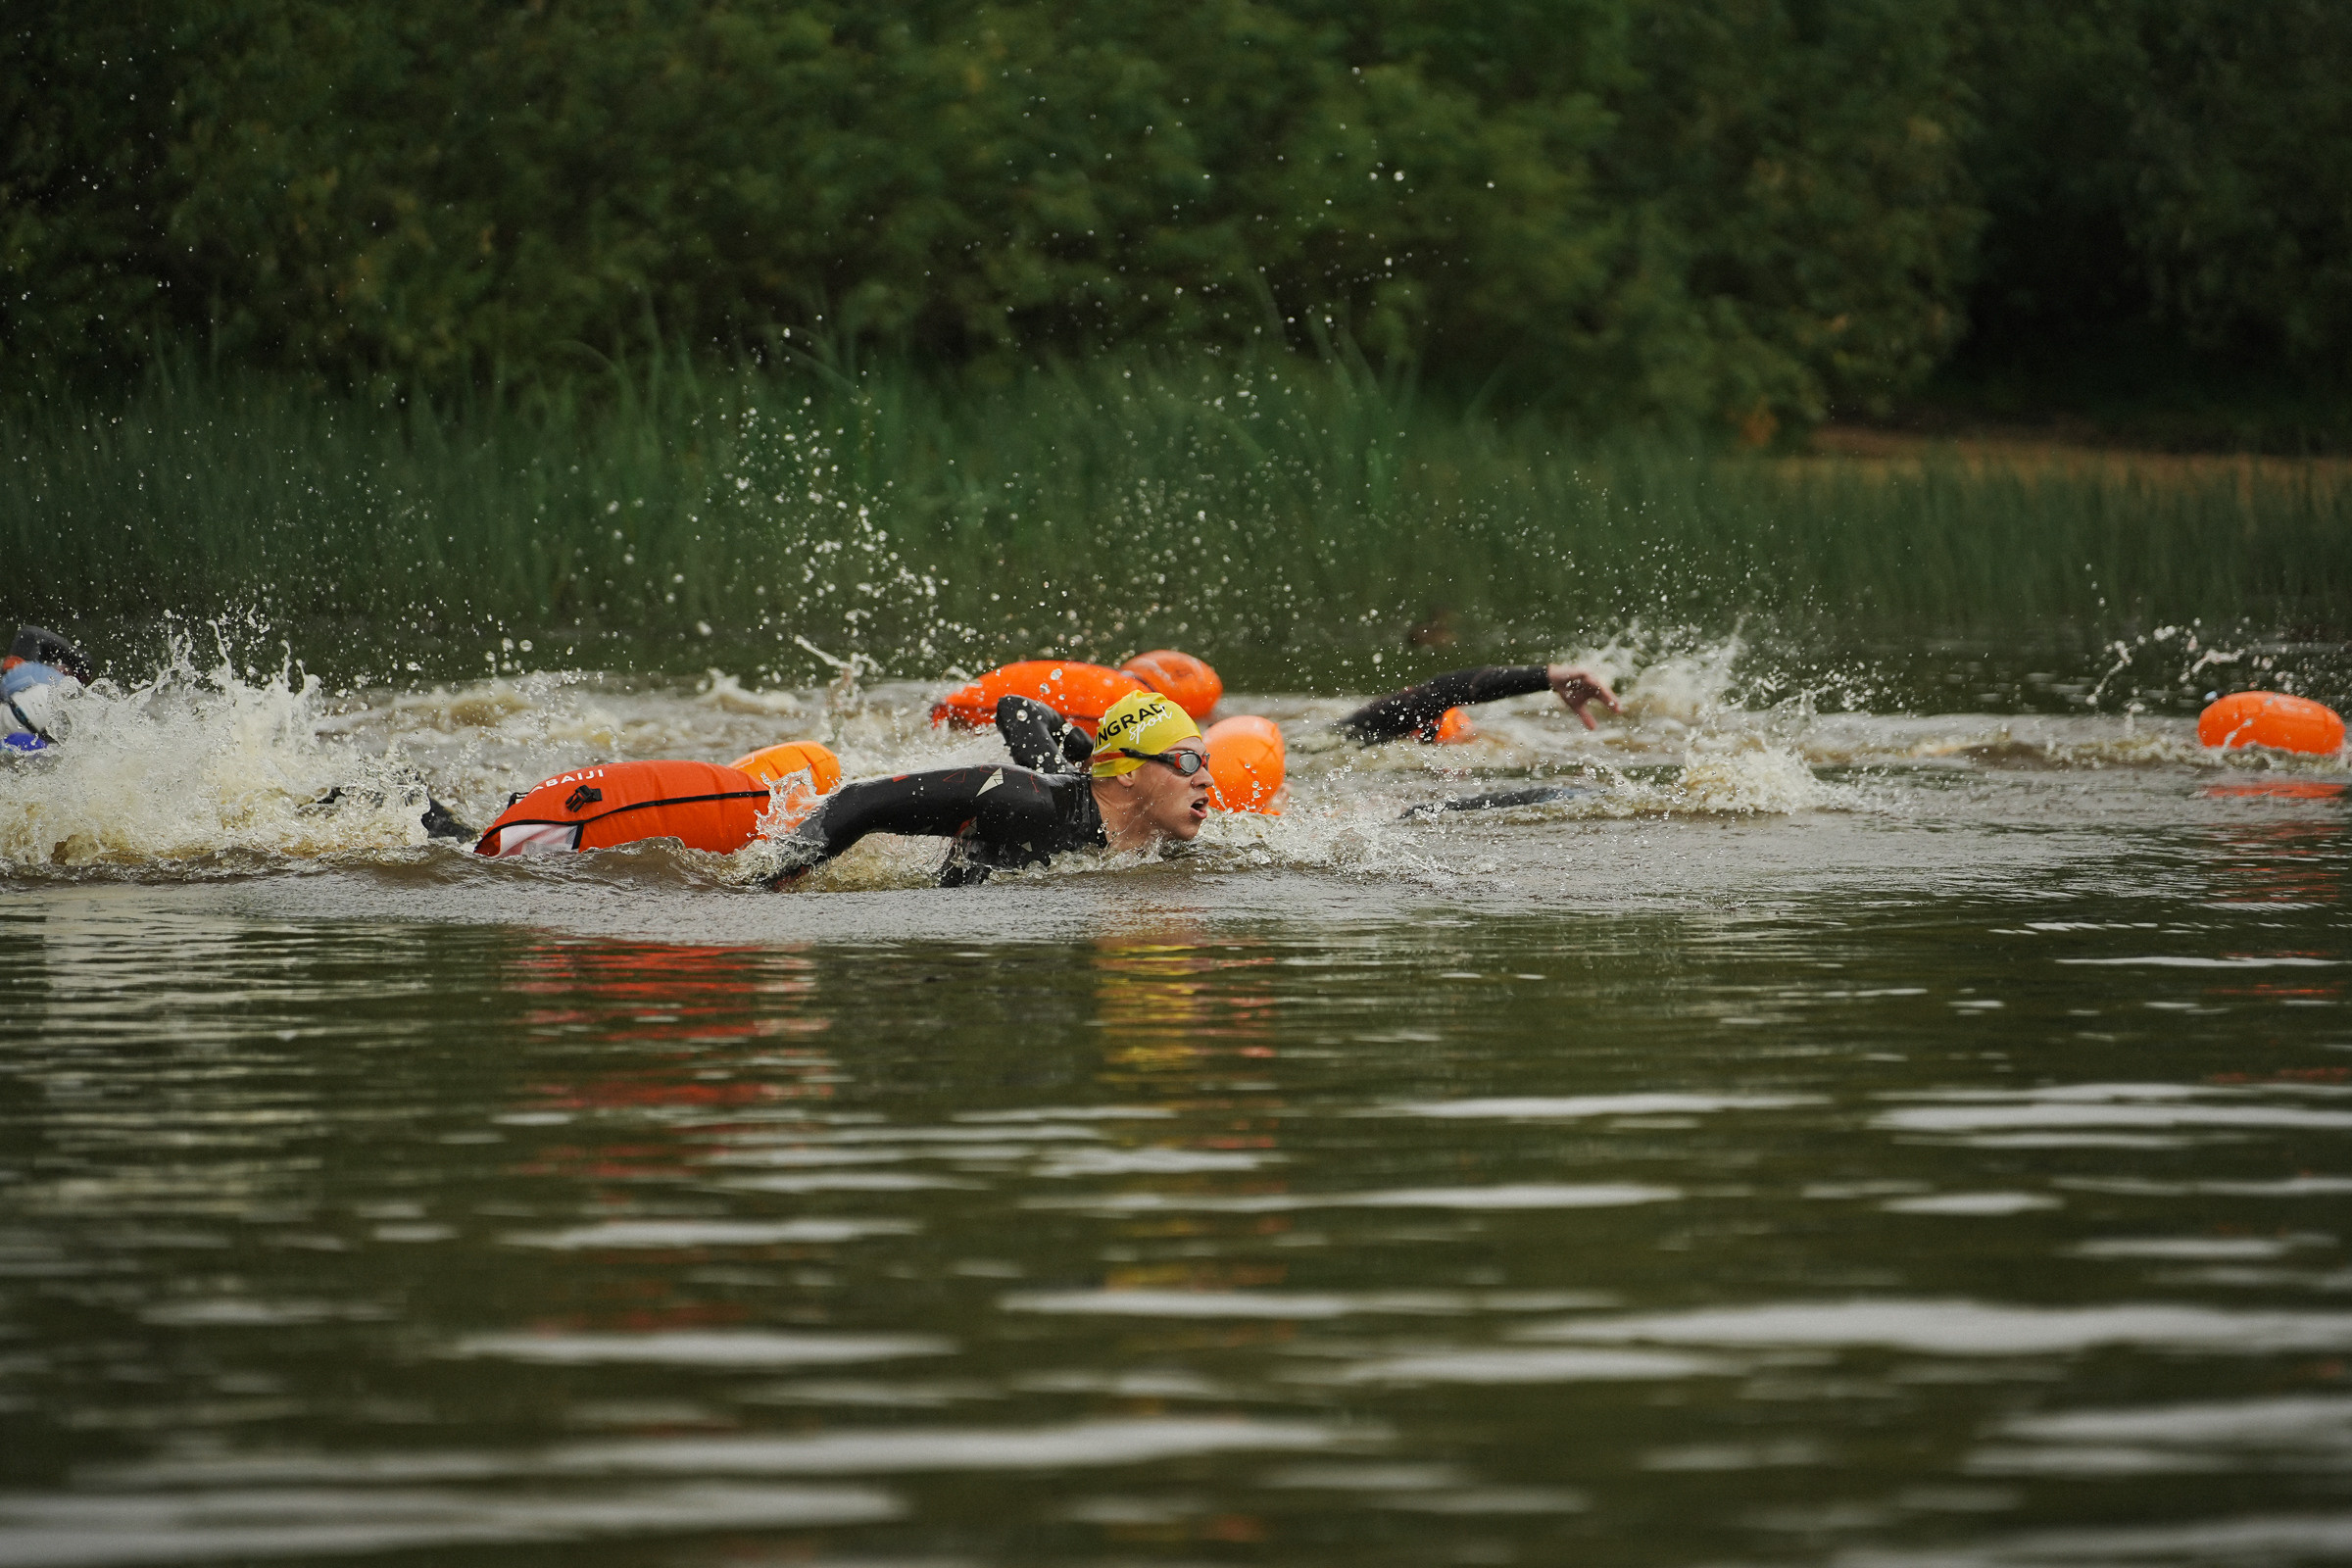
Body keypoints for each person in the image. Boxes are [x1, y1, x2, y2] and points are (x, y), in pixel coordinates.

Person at [771, 688, 1209, 887]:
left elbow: (1020, 712)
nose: (1206, 778)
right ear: (1128, 773)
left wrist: (1078, 744)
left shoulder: (1162, 840)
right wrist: (764, 887)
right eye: (1187, 762)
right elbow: (857, 800)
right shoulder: (1025, 798)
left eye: (1207, 763)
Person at [3, 625, 92, 752]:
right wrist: (81, 660)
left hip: (23, 714)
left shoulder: (18, 672)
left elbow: (29, 634)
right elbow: (29, 634)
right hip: (43, 716)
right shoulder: (25, 671)